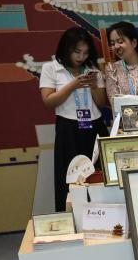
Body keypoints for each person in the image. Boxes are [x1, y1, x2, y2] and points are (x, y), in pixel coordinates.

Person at [39, 27, 109, 211]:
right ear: (66, 48)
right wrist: (72, 85)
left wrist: (94, 86)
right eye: (77, 51)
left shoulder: (93, 69)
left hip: (95, 126)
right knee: (70, 179)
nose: (81, 57)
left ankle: (106, 214)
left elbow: (101, 103)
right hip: (68, 128)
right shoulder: (51, 68)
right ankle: (71, 218)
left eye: (85, 52)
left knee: (101, 175)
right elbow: (48, 101)